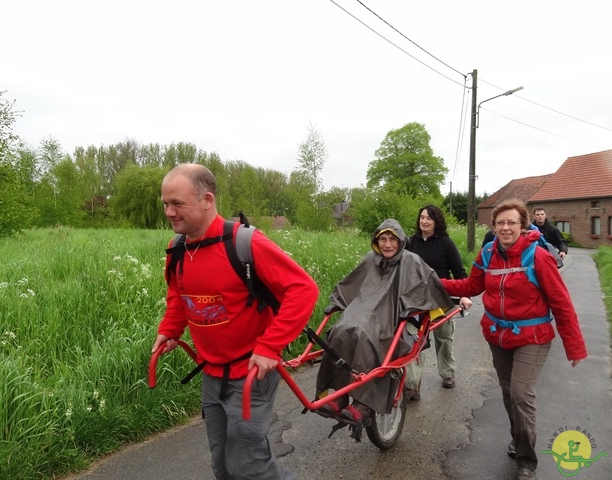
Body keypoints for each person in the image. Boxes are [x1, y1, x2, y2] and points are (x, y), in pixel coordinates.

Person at [152, 164, 319, 480]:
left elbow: (303, 290)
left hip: (251, 372)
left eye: (177, 203)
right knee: (223, 465)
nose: (169, 212)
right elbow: (179, 294)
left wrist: (270, 346)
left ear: (207, 199)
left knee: (248, 465)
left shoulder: (245, 243)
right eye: (165, 203)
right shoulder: (176, 250)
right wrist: (170, 329)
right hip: (212, 374)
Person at [440, 198, 587, 480]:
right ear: (493, 226)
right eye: (500, 223)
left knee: (521, 395)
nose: (505, 228)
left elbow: (561, 303)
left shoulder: (538, 256)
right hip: (498, 335)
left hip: (533, 336)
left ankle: (526, 461)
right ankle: (518, 439)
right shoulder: (487, 254)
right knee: (509, 394)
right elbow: (472, 286)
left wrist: (574, 346)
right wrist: (437, 282)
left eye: (512, 222)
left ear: (522, 225)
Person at [315, 219, 454, 428]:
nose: (387, 245)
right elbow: (350, 285)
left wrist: (427, 308)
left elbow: (429, 287)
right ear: (376, 241)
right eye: (383, 239)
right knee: (339, 332)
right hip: (362, 311)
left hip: (391, 317)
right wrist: (337, 303)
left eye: (392, 240)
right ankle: (340, 395)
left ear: (400, 242)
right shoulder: (370, 260)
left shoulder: (412, 261)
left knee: (367, 337)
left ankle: (364, 402)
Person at [406, 205, 472, 392]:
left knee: (444, 338)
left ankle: (447, 373)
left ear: (437, 222)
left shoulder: (446, 243)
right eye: (422, 217)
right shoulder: (411, 243)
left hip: (442, 298)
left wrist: (463, 295)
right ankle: (413, 385)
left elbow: (459, 272)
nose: (424, 221)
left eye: (429, 218)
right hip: (416, 299)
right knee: (415, 341)